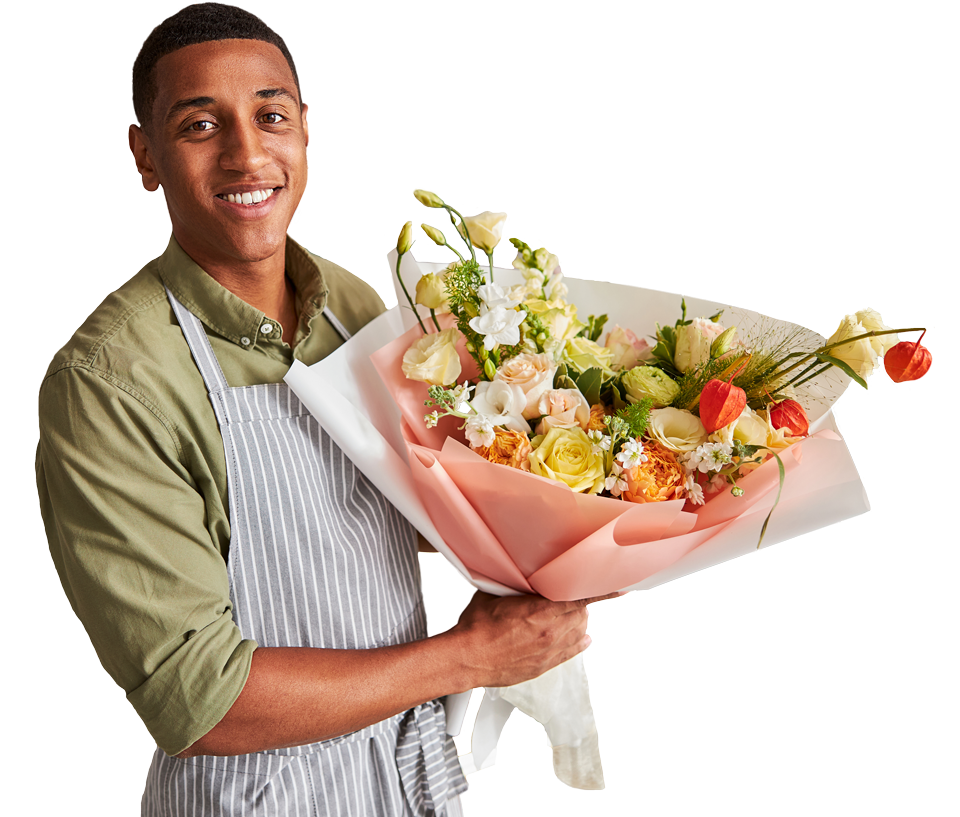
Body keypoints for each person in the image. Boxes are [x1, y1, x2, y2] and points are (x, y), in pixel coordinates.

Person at [35, 3, 605, 815]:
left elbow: (390, 511)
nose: (247, 153)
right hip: (251, 795)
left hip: (403, 776)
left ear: (304, 130)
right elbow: (201, 699)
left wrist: (579, 519)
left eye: (271, 116)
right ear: (145, 156)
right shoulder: (109, 381)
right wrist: (473, 656)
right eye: (200, 125)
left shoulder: (351, 303)